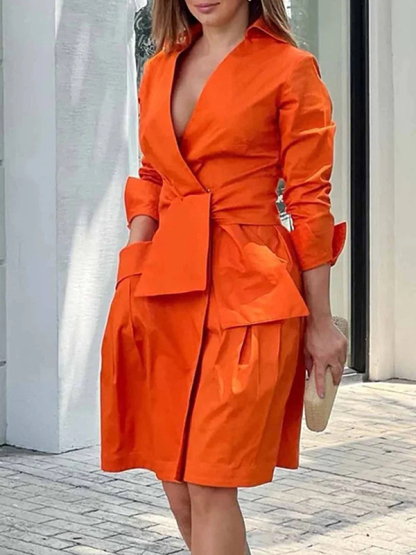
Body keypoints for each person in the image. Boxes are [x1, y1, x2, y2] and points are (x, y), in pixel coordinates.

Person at [100, 0, 348, 553]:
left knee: (210, 483)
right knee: (177, 483)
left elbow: (309, 202)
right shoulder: (159, 67)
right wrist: (131, 274)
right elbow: (151, 176)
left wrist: (321, 322)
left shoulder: (289, 69)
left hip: (248, 292)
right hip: (163, 286)